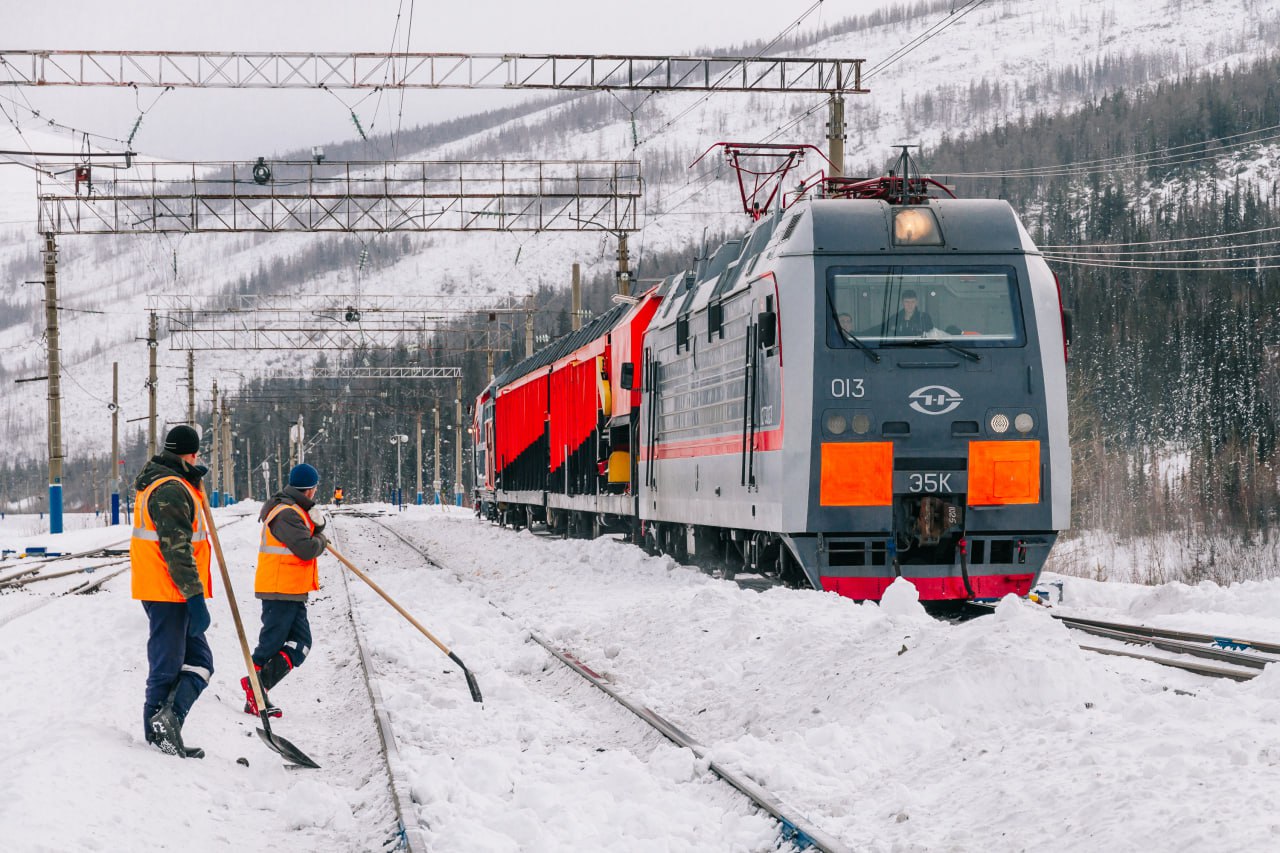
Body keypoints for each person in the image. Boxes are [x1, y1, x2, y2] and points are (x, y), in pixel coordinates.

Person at [131, 424, 213, 759]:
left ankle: (170, 721)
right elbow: (176, 549)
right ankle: (156, 734)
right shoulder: (169, 489)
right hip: (169, 591)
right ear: (191, 453)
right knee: (167, 664)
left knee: (200, 662)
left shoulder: (171, 483)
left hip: (171, 589)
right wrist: (194, 597)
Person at [243, 463, 329, 718]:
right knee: (271, 642)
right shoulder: (286, 513)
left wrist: (317, 524)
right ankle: (254, 691)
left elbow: (306, 534)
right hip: (279, 588)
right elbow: (305, 548)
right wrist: (322, 540)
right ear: (312, 489)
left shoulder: (294, 509)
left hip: (292, 589)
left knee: (301, 644)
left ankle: (259, 687)